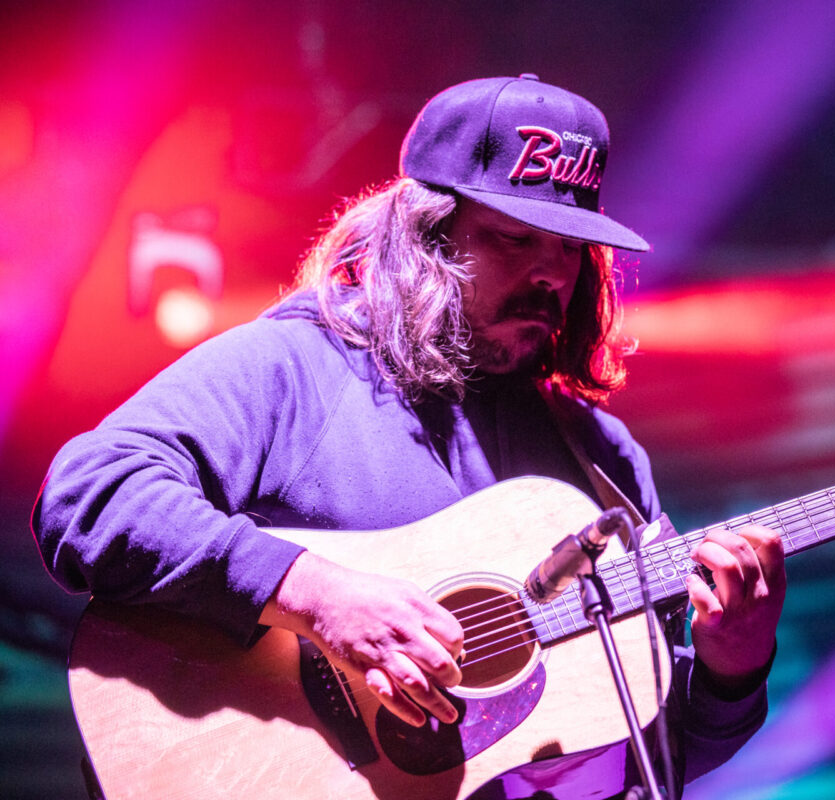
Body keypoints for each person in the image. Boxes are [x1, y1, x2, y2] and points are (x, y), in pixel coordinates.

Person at [33, 74, 785, 799]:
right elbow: (86, 498)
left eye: (566, 248)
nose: (549, 276)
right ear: (424, 236)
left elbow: (649, 757)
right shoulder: (295, 368)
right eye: (514, 238)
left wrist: (733, 669)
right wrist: (312, 593)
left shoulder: (603, 460)